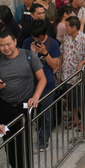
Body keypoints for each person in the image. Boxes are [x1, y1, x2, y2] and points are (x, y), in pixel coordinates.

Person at [0, 30, 45, 168]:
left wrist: (35, 97)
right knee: (9, 144)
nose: (5, 48)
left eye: (8, 44)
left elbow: (42, 79)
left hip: (24, 108)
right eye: (1, 45)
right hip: (5, 108)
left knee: (24, 144)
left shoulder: (28, 56)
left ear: (15, 42)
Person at [22, 20, 61, 151]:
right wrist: (32, 53)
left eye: (38, 37)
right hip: (29, 84)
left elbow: (55, 65)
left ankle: (44, 139)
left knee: (46, 115)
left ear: (44, 34)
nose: (35, 39)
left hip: (47, 85)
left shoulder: (53, 44)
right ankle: (25, 139)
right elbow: (23, 63)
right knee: (27, 114)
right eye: (33, 36)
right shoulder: (27, 42)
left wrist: (45, 52)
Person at [59, 16, 85, 129]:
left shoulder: (83, 38)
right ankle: (75, 120)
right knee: (71, 99)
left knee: (78, 100)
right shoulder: (66, 38)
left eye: (67, 26)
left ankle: (84, 121)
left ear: (74, 27)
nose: (65, 28)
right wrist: (59, 66)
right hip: (66, 74)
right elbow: (62, 52)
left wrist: (81, 63)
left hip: (77, 76)